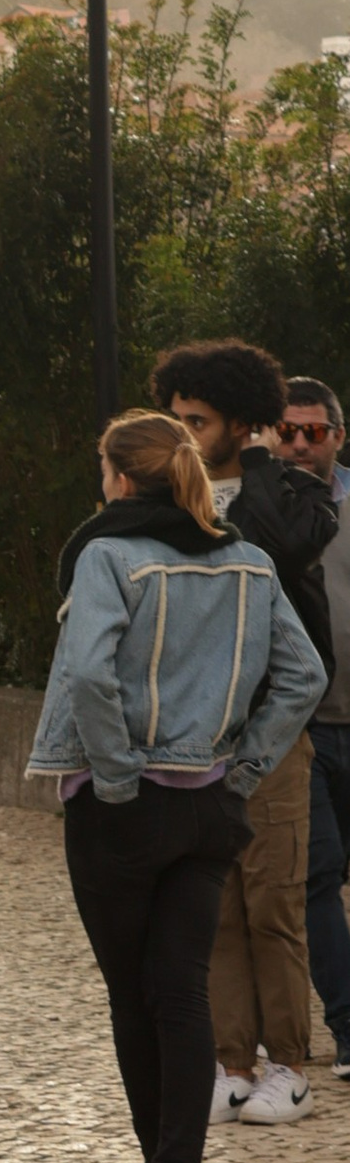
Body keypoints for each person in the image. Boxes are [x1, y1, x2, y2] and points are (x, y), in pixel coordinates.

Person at [34, 409, 324, 1163]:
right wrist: (243, 768)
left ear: (122, 476)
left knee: (136, 995)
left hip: (122, 806)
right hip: (208, 804)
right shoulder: (250, 561)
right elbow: (302, 676)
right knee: (182, 992)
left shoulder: (107, 554)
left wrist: (120, 776)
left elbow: (90, 672)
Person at [152, 341, 336, 1123]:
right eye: (177, 417)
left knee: (274, 899)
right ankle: (233, 1061)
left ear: (238, 422)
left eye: (199, 419)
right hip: (196, 731)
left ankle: (289, 1064)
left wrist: (261, 463)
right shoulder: (169, 494)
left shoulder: (290, 490)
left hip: (273, 729)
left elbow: (288, 546)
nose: (185, 432)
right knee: (215, 903)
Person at [277, 375, 350, 1082]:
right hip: (302, 729)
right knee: (318, 878)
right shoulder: (257, 511)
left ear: (338, 434)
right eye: (288, 430)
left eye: (314, 431)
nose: (300, 443)